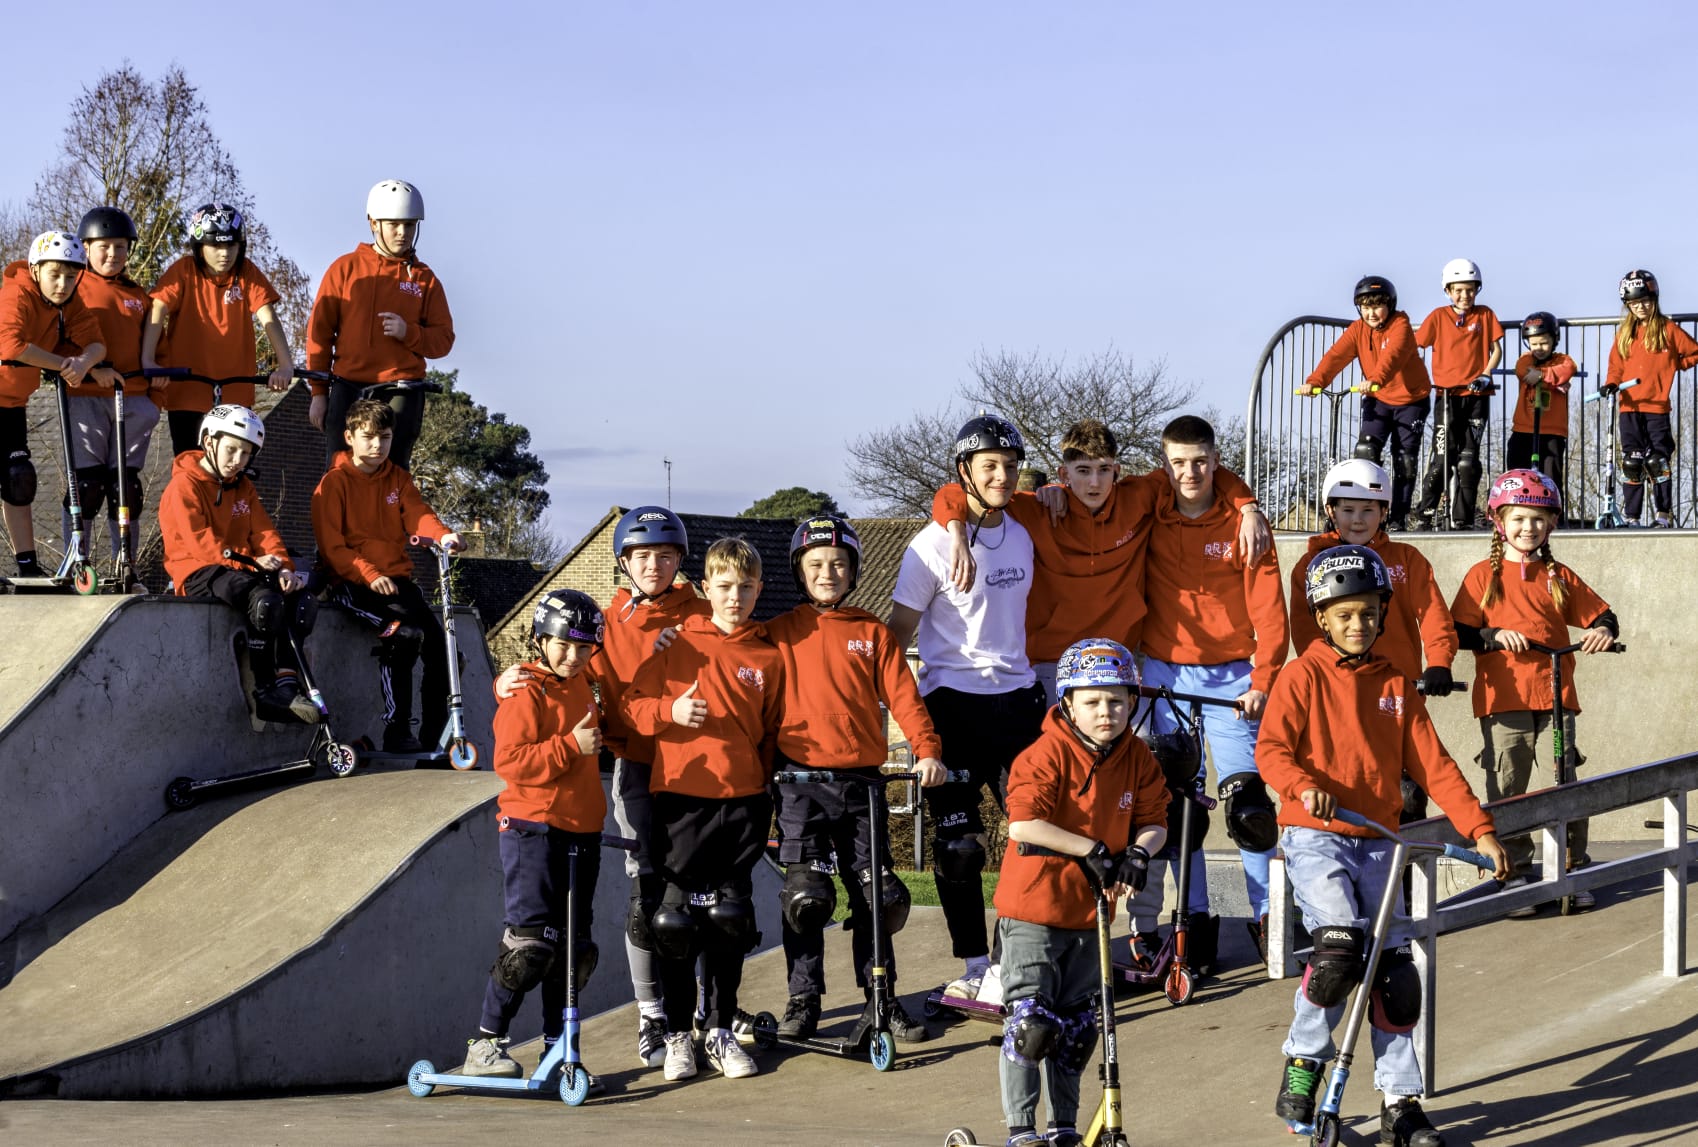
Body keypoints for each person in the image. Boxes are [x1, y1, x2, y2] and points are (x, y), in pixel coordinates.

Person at [1261, 544, 1510, 1147]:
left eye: (1369, 613)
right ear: (1322, 617)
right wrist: (1302, 785)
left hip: (1379, 841)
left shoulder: (1397, 684)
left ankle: (1401, 1103)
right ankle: (1304, 1062)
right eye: (1345, 614)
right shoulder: (1302, 675)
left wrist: (1479, 828)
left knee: (1395, 977)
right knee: (1339, 951)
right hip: (1316, 836)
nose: (1358, 624)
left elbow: (1435, 766)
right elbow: (1271, 751)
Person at [496, 505, 710, 1069]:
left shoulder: (701, 611)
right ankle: (651, 1014)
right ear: (623, 562)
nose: (655, 566)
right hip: (634, 765)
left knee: (703, 900)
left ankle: (708, 1015)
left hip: (699, 769)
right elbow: (562, 675)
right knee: (646, 904)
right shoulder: (605, 625)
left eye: (666, 556)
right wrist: (507, 679)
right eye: (642, 556)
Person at [929, 417, 1268, 705]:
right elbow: (958, 491)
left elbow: (1201, 470)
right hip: (1051, 662)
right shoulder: (1038, 509)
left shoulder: (1139, 497)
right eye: (1083, 470)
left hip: (1118, 659)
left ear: (1117, 471)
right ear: (1064, 472)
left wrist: (1248, 506)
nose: (1094, 482)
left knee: (1136, 764)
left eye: (1104, 470)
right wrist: (956, 530)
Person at [764, 514, 945, 1044]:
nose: (828, 573)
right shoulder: (776, 634)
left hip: (861, 785)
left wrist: (926, 750)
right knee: (805, 898)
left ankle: (882, 998)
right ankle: (804, 1000)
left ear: (854, 572)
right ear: (800, 572)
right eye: (817, 564)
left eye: (838, 564)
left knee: (878, 897)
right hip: (799, 786)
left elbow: (905, 699)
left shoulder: (872, 634)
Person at [888, 413, 1046, 1003]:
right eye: (989, 467)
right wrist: (909, 721)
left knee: (1034, 837)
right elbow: (896, 633)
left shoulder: (1025, 530)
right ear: (964, 472)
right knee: (959, 850)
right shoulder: (929, 546)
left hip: (1019, 704)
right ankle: (975, 965)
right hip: (952, 705)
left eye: (1009, 466)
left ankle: (1017, 957)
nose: (1002, 476)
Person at [993, 638, 1167, 1147]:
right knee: (1032, 1027)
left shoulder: (1137, 756)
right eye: (1091, 701)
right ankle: (1022, 1132)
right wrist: (1089, 848)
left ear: (1132, 702)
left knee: (1075, 1033)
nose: (1105, 712)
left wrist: (1139, 852)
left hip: (1091, 915)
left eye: (1115, 700)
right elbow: (1023, 825)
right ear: (1066, 702)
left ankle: (1063, 1128)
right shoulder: (1044, 753)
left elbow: (1154, 820)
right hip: (1033, 912)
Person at [622, 537, 784, 1082]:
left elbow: (772, 734)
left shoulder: (767, 654)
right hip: (681, 800)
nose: (734, 596)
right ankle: (675, 1037)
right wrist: (672, 709)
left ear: (758, 589)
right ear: (705, 588)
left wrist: (765, 795)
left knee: (729, 921)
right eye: (724, 586)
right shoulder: (675, 644)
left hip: (742, 804)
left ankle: (716, 1029)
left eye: (745, 587)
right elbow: (634, 711)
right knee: (673, 922)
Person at [1140, 414, 1288, 965]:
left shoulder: (1246, 524)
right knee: (1181, 805)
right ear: (1165, 463)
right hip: (1164, 675)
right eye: (1178, 462)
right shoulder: (1151, 501)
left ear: (1216, 459)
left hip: (1231, 676)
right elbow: (1096, 489)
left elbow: (1272, 613)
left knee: (1249, 805)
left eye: (1200, 461)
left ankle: (1267, 915)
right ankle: (1192, 921)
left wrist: (1264, 679)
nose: (1189, 473)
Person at [1449, 470, 1619, 914]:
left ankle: (1569, 866)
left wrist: (1601, 631)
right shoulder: (1481, 576)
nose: (1529, 528)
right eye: (1520, 518)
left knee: (1563, 779)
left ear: (1552, 525)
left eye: (1539, 520)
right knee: (1508, 784)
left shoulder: (1557, 575)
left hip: (1555, 694)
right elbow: (1458, 631)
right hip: (1503, 699)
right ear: (1500, 521)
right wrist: (1492, 635)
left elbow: (1603, 614)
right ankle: (1516, 871)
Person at [460, 589, 611, 1079]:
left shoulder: (585, 683)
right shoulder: (527, 691)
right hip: (532, 829)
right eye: (563, 644)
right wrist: (570, 746)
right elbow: (510, 762)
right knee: (530, 946)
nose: (573, 655)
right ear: (540, 639)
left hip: (581, 832)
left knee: (574, 951)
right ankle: (485, 1044)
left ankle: (556, 1045)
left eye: (584, 648)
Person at [1288, 459, 1457, 821]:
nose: (1358, 519)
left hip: (1398, 694)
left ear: (1384, 512)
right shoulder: (1310, 566)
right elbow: (1305, 630)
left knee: (1408, 797)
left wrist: (1439, 662)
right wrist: (1328, 674)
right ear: (1331, 511)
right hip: (1338, 697)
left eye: (1369, 509)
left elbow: (1434, 616)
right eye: (1348, 509)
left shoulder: (1407, 560)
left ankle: (1406, 873)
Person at [311, 398, 463, 751]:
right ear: (349, 437)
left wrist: (443, 535)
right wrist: (368, 573)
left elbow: (418, 514)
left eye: (385, 437)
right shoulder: (332, 484)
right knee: (403, 635)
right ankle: (397, 731)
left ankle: (435, 738)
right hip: (351, 584)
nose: (378, 446)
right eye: (369, 437)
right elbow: (333, 548)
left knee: (444, 650)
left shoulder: (398, 478)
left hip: (397, 583)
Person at [157, 404, 319, 724]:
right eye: (232, 450)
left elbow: (264, 532)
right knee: (265, 601)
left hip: (241, 566)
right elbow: (200, 544)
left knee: (301, 599)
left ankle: (287, 680)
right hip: (197, 570)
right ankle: (265, 691)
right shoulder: (183, 486)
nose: (238, 461)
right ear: (209, 442)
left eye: (246, 454)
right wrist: (254, 564)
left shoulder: (244, 486)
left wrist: (284, 567)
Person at [305, 179, 454, 472]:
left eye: (410, 225)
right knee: (339, 472)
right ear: (374, 223)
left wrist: (409, 333)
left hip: (401, 389)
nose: (403, 233)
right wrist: (319, 394)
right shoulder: (344, 269)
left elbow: (443, 339)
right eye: (394, 224)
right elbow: (319, 335)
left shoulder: (425, 279)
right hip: (347, 387)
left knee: (392, 473)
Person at [0, 231, 115, 577]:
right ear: (35, 270)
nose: (63, 284)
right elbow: (11, 346)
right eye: (55, 275)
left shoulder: (68, 303)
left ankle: (27, 567)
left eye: (71, 276)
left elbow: (97, 344)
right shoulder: (15, 293)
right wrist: (64, 365)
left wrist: (83, 363)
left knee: (19, 479)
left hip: (12, 403)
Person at [141, 203, 295, 456]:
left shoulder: (246, 272)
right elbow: (157, 310)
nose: (225, 254)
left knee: (233, 467)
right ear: (199, 247)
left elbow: (268, 317)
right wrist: (148, 360)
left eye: (231, 245)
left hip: (234, 393)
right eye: (216, 246)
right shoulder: (184, 271)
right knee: (190, 466)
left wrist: (285, 365)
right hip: (188, 391)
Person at [73, 206, 164, 577]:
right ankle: (78, 561)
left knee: (126, 488)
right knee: (87, 485)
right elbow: (61, 339)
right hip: (85, 398)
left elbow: (158, 343)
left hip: (132, 398)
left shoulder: (138, 295)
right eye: (104, 247)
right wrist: (93, 369)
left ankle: (125, 563)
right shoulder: (73, 286)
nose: (113, 255)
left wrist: (156, 385)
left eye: (121, 247)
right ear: (87, 246)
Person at [1302, 276, 1432, 529]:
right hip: (1378, 398)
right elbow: (1336, 356)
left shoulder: (1401, 325)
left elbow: (1392, 357)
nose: (1371, 313)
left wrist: (1374, 378)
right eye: (1365, 307)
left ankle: (1398, 516)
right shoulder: (1358, 330)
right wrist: (1317, 381)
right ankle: (1369, 512)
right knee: (1366, 451)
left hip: (1411, 400)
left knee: (1404, 459)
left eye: (1377, 306)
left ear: (1390, 305)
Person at [1413, 258, 1503, 530]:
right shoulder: (1439, 316)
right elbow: (1417, 347)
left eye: (1470, 290)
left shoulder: (1485, 314)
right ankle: (1424, 514)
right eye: (1459, 290)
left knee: (1469, 463)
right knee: (1442, 459)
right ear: (1448, 290)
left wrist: (1486, 372)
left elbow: (1496, 349)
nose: (1465, 296)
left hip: (1477, 395)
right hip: (1447, 397)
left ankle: (1463, 518)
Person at [1604, 269, 1698, 528]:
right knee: (1632, 463)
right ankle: (1632, 516)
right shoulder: (1625, 333)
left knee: (1657, 461)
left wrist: (1677, 363)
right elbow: (1615, 366)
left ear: (1654, 299)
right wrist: (1611, 384)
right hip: (1629, 407)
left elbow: (1693, 352)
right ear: (1628, 306)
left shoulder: (1668, 329)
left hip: (1657, 407)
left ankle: (1662, 515)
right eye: (1634, 303)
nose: (1641, 307)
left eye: (1645, 301)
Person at [1505, 311, 1576, 498]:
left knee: (1550, 477)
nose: (1539, 348)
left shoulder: (1563, 360)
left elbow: (1568, 369)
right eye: (1534, 343)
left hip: (1552, 431)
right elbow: (1524, 372)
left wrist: (1542, 377)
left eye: (1544, 343)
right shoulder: (1525, 359)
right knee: (1517, 471)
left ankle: (1554, 515)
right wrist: (1554, 382)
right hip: (1523, 428)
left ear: (1554, 340)